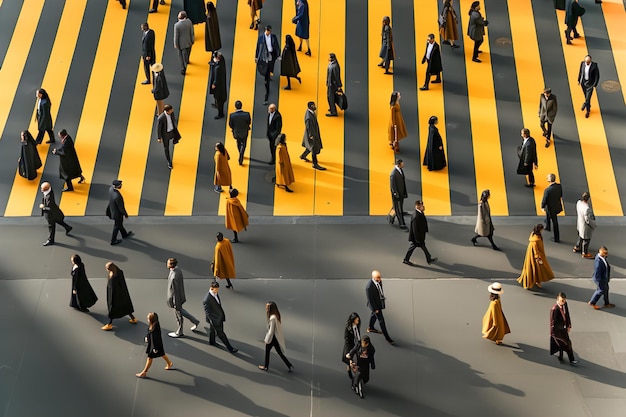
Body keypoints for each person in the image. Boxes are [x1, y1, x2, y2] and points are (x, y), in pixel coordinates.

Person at [166, 257, 200, 338]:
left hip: (176, 300)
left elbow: (175, 292)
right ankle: (195, 321)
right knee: (181, 311)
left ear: (170, 265)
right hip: (179, 297)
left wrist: (175, 303)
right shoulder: (177, 269)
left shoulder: (174, 276)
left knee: (179, 315)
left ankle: (179, 331)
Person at [136, 312, 176, 378]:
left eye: (148, 318)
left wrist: (154, 348)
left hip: (154, 345)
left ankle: (144, 372)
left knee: (150, 358)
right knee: (162, 354)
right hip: (155, 344)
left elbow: (155, 338)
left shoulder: (155, 328)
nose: (147, 319)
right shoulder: (153, 324)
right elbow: (150, 333)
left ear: (151, 320)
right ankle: (169, 363)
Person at [202, 281, 238, 352]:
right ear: (211, 288)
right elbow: (208, 313)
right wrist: (213, 321)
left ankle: (212, 342)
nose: (217, 291)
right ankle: (230, 348)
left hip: (218, 317)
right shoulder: (206, 300)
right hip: (215, 320)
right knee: (221, 334)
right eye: (216, 290)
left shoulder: (215, 294)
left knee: (212, 330)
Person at [517, 224, 555, 289]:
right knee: (536, 269)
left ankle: (535, 281)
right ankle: (535, 281)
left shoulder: (533, 235)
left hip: (532, 256)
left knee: (534, 269)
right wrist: (538, 258)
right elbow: (535, 250)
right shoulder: (535, 240)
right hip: (536, 257)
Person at [258, 301, 294, 372]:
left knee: (267, 351)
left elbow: (271, 331)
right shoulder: (276, 316)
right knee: (279, 352)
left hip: (272, 338)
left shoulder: (272, 318)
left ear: (270, 309)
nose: (266, 309)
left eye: (267, 308)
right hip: (275, 338)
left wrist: (267, 340)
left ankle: (266, 366)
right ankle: (289, 365)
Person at [102, 262, 137, 331]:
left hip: (115, 295)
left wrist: (111, 299)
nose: (106, 269)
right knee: (125, 307)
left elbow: (113, 289)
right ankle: (133, 318)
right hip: (122, 294)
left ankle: (109, 324)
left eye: (107, 268)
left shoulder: (114, 277)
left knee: (113, 309)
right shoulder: (119, 272)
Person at [365, 270, 395, 345]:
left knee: (373, 316)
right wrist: (375, 309)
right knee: (381, 321)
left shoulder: (379, 281)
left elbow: (379, 289)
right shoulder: (369, 287)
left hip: (379, 303)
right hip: (375, 306)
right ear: (373, 277)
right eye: (377, 278)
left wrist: (382, 296)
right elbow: (370, 300)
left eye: (380, 277)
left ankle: (370, 328)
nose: (379, 279)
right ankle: (388, 338)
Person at [404, 200, 437, 265]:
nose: (423, 207)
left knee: (421, 247)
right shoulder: (416, 216)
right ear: (418, 206)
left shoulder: (419, 213)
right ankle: (406, 259)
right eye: (422, 206)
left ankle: (428, 258)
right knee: (416, 247)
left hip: (419, 236)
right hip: (417, 237)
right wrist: (417, 239)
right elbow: (415, 229)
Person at [39, 182, 72, 246]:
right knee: (58, 220)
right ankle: (67, 227)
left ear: (46, 189)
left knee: (51, 227)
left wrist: (43, 207)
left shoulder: (49, 198)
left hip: (51, 214)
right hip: (55, 213)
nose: (41, 190)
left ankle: (51, 240)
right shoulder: (49, 191)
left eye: (42, 189)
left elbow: (49, 208)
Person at [550, 292, 578, 365]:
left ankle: (562, 356)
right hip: (557, 331)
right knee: (567, 343)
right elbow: (553, 323)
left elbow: (567, 314)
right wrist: (553, 334)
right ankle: (571, 360)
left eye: (564, 300)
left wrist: (569, 325)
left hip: (563, 329)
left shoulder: (565, 304)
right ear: (557, 300)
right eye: (562, 301)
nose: (563, 302)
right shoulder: (554, 309)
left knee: (564, 343)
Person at [255, 25, 280, 106]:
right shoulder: (261, 38)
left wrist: (278, 54)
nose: (269, 32)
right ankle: (267, 80)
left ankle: (269, 74)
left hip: (272, 55)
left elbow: (276, 45)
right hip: (264, 57)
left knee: (271, 66)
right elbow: (258, 48)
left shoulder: (273, 37)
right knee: (267, 72)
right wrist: (256, 56)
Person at [300, 102, 326, 170]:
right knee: (313, 148)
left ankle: (303, 156)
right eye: (314, 105)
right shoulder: (309, 117)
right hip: (312, 134)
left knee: (309, 146)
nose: (315, 106)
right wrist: (311, 135)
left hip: (312, 133)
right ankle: (315, 164)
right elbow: (309, 127)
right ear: (311, 106)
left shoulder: (310, 113)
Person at [107, 180, 133, 245]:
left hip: (112, 209)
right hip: (117, 214)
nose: (121, 186)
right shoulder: (117, 196)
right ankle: (113, 240)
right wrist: (125, 214)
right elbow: (121, 208)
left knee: (119, 224)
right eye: (120, 185)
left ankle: (124, 234)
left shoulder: (110, 189)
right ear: (117, 186)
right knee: (117, 226)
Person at [157, 104, 182, 170]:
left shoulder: (171, 113)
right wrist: (159, 138)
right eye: (171, 110)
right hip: (165, 134)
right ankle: (169, 162)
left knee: (178, 137)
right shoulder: (161, 118)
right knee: (166, 148)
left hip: (172, 131)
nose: (172, 111)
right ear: (167, 111)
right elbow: (159, 128)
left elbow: (173, 120)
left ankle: (175, 140)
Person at [541, 174, 563, 243]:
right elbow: (561, 195)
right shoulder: (559, 186)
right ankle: (548, 226)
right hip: (556, 206)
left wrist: (542, 206)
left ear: (550, 180)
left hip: (550, 208)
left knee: (554, 222)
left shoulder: (547, 190)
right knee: (548, 215)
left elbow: (545, 199)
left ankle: (556, 238)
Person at [228, 100, 251, 166]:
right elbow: (249, 122)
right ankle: (241, 153)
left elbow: (230, 124)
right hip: (244, 132)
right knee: (244, 143)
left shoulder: (232, 115)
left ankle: (240, 152)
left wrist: (234, 129)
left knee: (238, 142)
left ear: (235, 106)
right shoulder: (247, 114)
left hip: (236, 132)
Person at [574, 192, 596, 258]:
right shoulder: (587, 209)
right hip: (585, 226)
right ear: (588, 199)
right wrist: (593, 225)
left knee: (580, 236)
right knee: (586, 239)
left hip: (580, 223)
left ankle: (577, 247)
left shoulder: (578, 203)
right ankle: (585, 253)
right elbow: (588, 220)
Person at [173, 11, 195, 75]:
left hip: (180, 44)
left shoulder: (177, 25)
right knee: (188, 52)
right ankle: (187, 60)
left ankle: (183, 68)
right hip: (189, 41)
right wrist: (192, 40)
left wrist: (176, 44)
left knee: (181, 56)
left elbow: (176, 36)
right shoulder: (189, 21)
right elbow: (192, 31)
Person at [342, 312, 361, 380]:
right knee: (349, 361)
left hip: (356, 345)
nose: (358, 322)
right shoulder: (348, 327)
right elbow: (346, 338)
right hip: (350, 345)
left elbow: (358, 335)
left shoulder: (356, 326)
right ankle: (350, 373)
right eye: (357, 320)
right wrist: (349, 351)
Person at [389, 159, 408, 230]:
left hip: (401, 193)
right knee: (398, 209)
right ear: (399, 164)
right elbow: (392, 185)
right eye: (402, 163)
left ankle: (390, 217)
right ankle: (402, 224)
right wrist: (395, 193)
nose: (403, 164)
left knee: (396, 207)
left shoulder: (400, 170)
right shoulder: (393, 174)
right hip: (397, 194)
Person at [209, 51, 227, 119]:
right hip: (222, 85)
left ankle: (220, 114)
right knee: (219, 99)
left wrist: (214, 84)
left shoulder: (217, 69)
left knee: (219, 99)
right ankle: (217, 105)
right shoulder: (222, 61)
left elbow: (216, 79)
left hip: (218, 88)